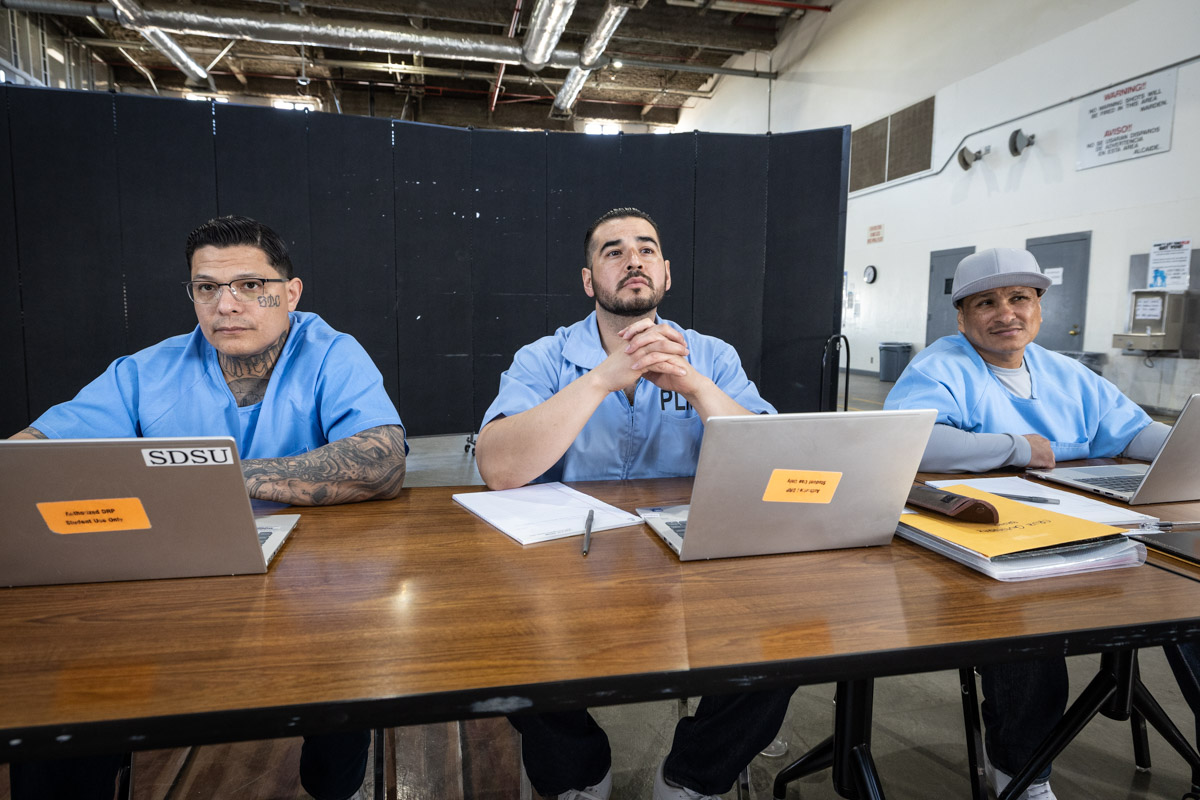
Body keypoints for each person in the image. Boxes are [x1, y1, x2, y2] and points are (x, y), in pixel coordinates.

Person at [9, 215, 407, 800]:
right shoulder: (146, 370)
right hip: (173, 585)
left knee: (342, 699)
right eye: (207, 287)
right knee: (66, 705)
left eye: (250, 285)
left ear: (290, 293)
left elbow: (383, 461)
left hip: (313, 588)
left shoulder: (332, 353)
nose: (226, 304)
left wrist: (210, 479)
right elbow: (26, 459)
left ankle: (335, 779)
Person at [475, 207, 793, 800]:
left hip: (689, 562)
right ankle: (576, 773)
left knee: (784, 642)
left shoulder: (711, 356)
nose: (633, 260)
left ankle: (693, 776)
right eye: (613, 251)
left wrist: (696, 386)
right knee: (503, 640)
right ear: (588, 280)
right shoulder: (543, 358)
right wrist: (601, 378)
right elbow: (498, 467)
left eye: (646, 249)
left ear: (666, 273)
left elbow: (772, 465)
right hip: (569, 564)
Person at [885, 247, 1199, 800]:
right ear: (962, 317)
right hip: (993, 532)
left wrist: (1180, 445)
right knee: (1027, 625)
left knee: (1190, 599)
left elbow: (1131, 430)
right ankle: (1022, 771)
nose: (1006, 313)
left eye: (1020, 298)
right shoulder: (941, 367)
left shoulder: (1066, 372)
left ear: (1039, 307)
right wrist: (1016, 447)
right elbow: (911, 440)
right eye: (987, 302)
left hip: (1086, 516)